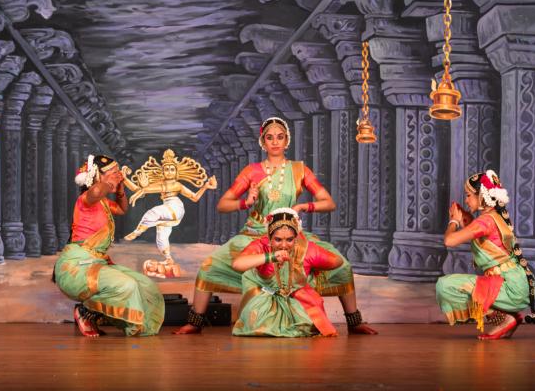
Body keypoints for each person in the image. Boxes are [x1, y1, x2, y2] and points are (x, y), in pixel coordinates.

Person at [174, 116, 376, 335]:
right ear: (263, 142)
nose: (275, 142)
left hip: (289, 236)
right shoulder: (252, 171)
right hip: (256, 234)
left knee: (342, 266)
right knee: (209, 267)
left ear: (287, 140)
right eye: (269, 137)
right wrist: (246, 203)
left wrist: (303, 206)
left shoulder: (299, 170)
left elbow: (328, 202)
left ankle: (354, 322)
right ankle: (195, 322)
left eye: (280, 137)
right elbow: (223, 205)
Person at [53, 154, 165, 337]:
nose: (118, 175)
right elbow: (96, 191)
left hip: (95, 263)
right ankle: (85, 312)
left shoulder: (103, 202)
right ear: (97, 175)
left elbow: (122, 208)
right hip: (76, 268)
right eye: (112, 172)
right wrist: (109, 182)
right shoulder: (86, 199)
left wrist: (119, 189)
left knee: (143, 285)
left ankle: (93, 315)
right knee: (126, 285)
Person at [436, 170, 535, 340]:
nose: (466, 200)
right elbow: (481, 238)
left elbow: (449, 241)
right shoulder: (494, 216)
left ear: (482, 196)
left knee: (445, 285)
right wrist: (464, 218)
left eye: (468, 195)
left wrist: (453, 221)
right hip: (518, 284)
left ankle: (505, 319)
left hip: (510, 287)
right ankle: (508, 318)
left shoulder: (486, 221)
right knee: (467, 286)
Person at [231, 208, 341, 337]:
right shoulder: (262, 246)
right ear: (269, 237)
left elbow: (337, 261)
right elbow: (237, 264)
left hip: (294, 298)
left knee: (308, 321)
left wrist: (313, 270)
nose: (284, 245)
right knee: (258, 321)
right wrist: (271, 257)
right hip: (265, 297)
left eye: (289, 240)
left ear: (296, 238)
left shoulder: (305, 249)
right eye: (278, 240)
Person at [121, 148, 217, 273]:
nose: (169, 172)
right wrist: (124, 179)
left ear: (176, 172)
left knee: (153, 213)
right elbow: (137, 189)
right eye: (166, 169)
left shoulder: (176, 184)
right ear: (162, 172)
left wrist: (205, 186)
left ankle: (137, 231)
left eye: (172, 169)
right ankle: (168, 258)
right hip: (168, 211)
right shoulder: (160, 183)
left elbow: (194, 197)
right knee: (161, 235)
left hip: (175, 207)